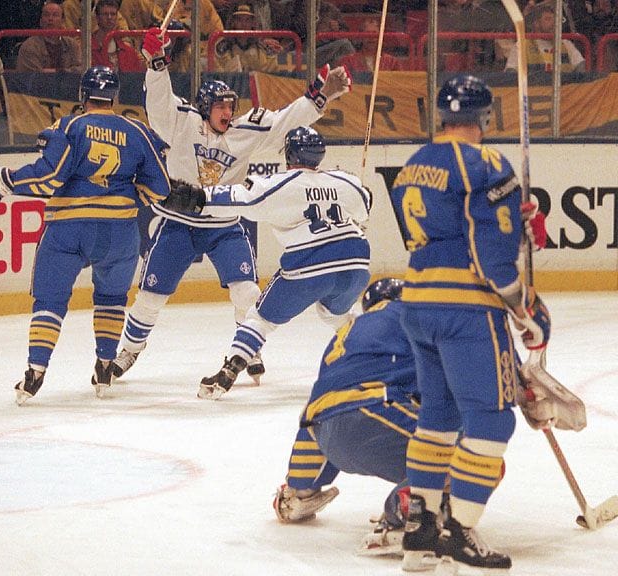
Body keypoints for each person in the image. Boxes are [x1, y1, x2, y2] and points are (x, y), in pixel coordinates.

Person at [108, 27, 352, 386]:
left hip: (224, 226)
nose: (228, 111)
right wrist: (156, 63)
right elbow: (158, 104)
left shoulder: (245, 131)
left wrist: (322, 95)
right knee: (150, 297)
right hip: (178, 224)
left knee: (247, 292)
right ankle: (129, 350)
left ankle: (249, 349)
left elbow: (286, 120)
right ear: (205, 107)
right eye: (220, 106)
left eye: (230, 106)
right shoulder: (182, 121)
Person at [388, 74, 552, 571]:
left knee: (437, 417)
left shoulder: (413, 165)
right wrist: (523, 309)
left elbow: (452, 229)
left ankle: (419, 533)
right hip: (467, 310)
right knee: (492, 418)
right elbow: (489, 255)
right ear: (485, 115)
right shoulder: (487, 163)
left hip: (418, 303)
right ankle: (459, 531)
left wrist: (515, 224)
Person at [0, 66, 172, 405]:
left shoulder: (70, 126)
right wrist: (126, 195)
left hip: (69, 229)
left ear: (83, 95)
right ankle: (104, 367)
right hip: (120, 232)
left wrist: (3, 180)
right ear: (115, 97)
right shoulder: (138, 131)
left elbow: (49, 178)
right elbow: (160, 188)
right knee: (111, 298)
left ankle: (35, 372)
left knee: (50, 300)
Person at [167, 127, 371, 400]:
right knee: (334, 315)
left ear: (289, 153)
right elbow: (365, 206)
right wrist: (364, 193)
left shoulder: (282, 184)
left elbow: (240, 198)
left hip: (310, 264)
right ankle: (373, 354)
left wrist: (197, 198)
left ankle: (230, 368)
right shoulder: (346, 180)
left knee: (260, 318)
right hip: (356, 264)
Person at [272, 277, 423, 556]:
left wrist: (299, 486)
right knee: (471, 458)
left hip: (326, 432)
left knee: (324, 405)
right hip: (377, 414)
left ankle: (297, 493)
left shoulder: (343, 333)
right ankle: (406, 509)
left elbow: (315, 411)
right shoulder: (409, 315)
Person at [213, 3, 282, 73]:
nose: (244, 24)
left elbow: (272, 73)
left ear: (253, 23)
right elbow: (217, 71)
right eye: (239, 20)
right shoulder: (222, 48)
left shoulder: (263, 48)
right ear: (233, 22)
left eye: (247, 20)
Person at [16, 0, 83, 73]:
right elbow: (33, 76)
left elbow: (81, 69)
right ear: (40, 21)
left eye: (55, 15)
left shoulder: (72, 45)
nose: (50, 19)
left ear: (62, 21)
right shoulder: (29, 46)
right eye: (46, 15)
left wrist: (57, 71)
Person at [521, 1, 586, 73]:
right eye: (548, 19)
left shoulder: (566, 44)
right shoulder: (523, 45)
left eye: (554, 19)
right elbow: (512, 72)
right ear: (536, 23)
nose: (553, 22)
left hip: (564, 80)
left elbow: (581, 67)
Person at [336, 17, 405, 72]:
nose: (371, 37)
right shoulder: (348, 61)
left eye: (374, 33)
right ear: (361, 36)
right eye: (367, 33)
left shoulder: (392, 62)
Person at [91, 0, 144, 72]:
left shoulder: (129, 52)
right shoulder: (88, 50)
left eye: (113, 14)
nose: (109, 17)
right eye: (105, 14)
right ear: (97, 17)